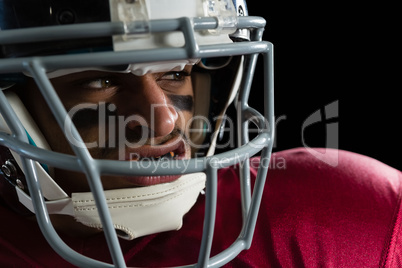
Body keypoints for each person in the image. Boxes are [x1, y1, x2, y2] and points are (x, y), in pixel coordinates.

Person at [0, 0, 401, 267]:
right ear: (13, 105)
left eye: (176, 73)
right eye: (100, 83)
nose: (165, 123)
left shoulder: (341, 215)